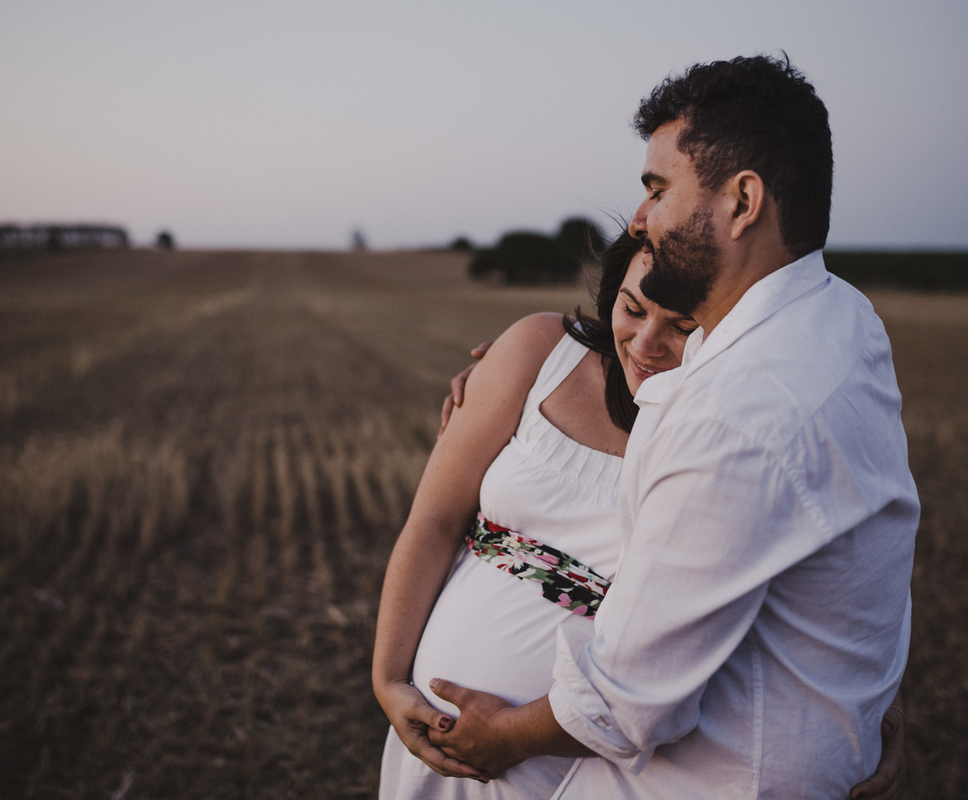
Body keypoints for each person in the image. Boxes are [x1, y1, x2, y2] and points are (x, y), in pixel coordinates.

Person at [425, 55, 918, 799]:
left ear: (742, 201)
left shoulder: (734, 410)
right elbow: (846, 556)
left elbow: (627, 698)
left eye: (658, 189)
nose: (638, 219)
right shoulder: (842, 320)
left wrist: (500, 738)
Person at [374, 234, 906, 798]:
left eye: (681, 327)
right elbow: (433, 520)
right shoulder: (540, 349)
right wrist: (388, 679)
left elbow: (839, 577)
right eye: (631, 309)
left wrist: (871, 706)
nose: (646, 344)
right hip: (436, 750)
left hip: (577, 770)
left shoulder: (734, 435)